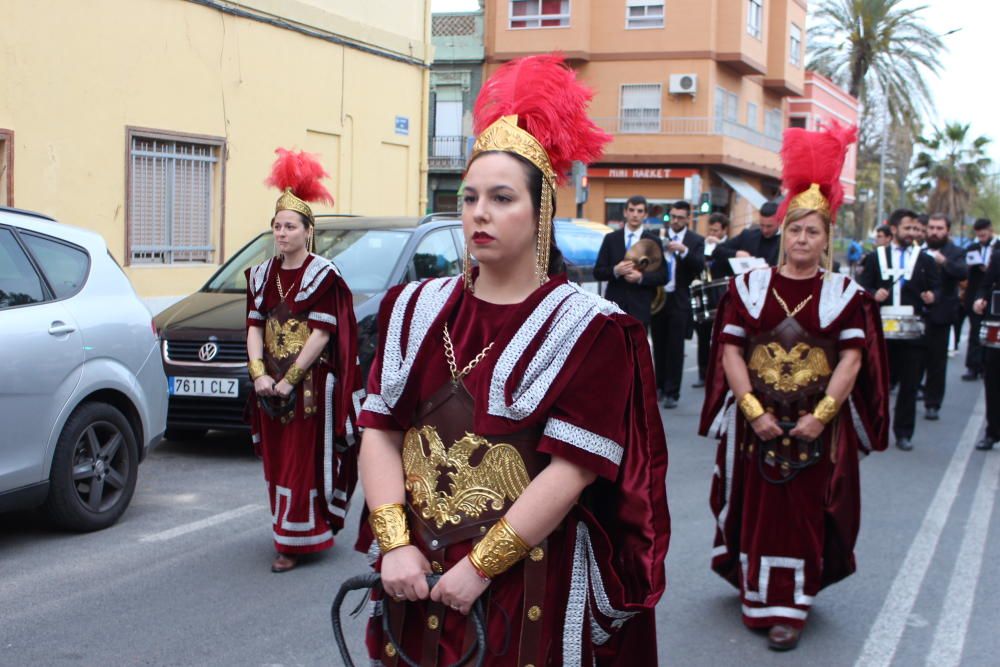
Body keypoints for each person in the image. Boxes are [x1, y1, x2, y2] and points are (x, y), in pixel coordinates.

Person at [354, 54, 669, 666]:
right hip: (413, 572)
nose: (479, 212)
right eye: (469, 197)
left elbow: (571, 470)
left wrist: (478, 567)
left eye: (502, 197)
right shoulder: (413, 307)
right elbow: (379, 428)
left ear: (540, 209)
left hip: (522, 583)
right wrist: (393, 544)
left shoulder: (591, 329)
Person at [699, 122, 888, 651]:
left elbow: (852, 359)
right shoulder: (750, 287)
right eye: (795, 230)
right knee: (753, 509)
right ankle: (756, 589)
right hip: (755, 420)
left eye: (813, 232)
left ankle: (789, 607)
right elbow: (731, 350)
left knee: (802, 515)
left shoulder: (844, 294)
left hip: (814, 425)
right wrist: (753, 409)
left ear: (827, 238)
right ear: (784, 233)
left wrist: (822, 416)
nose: (803, 240)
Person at [245, 148, 363, 573]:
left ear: (307, 231)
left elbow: (322, 333)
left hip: (309, 384)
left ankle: (295, 541)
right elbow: (255, 326)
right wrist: (259, 374)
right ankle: (284, 530)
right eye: (277, 226)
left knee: (301, 460)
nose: (281, 233)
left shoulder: (323, 275)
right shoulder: (261, 275)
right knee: (278, 461)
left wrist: (289, 379)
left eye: (290, 226)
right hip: (269, 382)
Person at [858, 209, 941, 451]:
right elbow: (863, 287)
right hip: (882, 331)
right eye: (908, 228)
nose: (913, 233)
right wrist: (874, 294)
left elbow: (937, 288)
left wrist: (931, 296)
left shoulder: (925, 260)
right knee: (877, 383)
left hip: (913, 332)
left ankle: (904, 432)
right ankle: (874, 429)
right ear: (894, 229)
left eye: (916, 229)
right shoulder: (876, 257)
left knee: (910, 385)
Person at [650, 201, 705, 408]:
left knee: (675, 346)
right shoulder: (658, 235)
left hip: (680, 299)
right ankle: (659, 386)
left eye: (680, 218)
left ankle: (672, 392)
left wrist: (683, 251)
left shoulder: (695, 240)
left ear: (687, 219)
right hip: (659, 297)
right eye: (673, 217)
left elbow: (699, 265)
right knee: (659, 345)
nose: (675, 221)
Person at [921, 214, 968, 419]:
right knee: (914, 360)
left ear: (947, 230)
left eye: (939, 228)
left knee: (937, 362)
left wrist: (944, 262)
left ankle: (933, 403)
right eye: (931, 228)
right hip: (919, 313)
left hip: (942, 314)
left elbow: (962, 272)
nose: (934, 232)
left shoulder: (955, 252)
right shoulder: (919, 250)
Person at [594, 195, 667, 326]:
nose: (635, 215)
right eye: (632, 210)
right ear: (625, 212)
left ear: (645, 215)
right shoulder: (611, 239)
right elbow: (598, 272)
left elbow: (663, 276)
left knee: (637, 346)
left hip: (641, 308)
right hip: (614, 307)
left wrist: (641, 277)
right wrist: (615, 270)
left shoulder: (654, 241)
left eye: (639, 211)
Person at [694, 213, 731, 387]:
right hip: (706, 297)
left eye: (716, 230)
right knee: (703, 337)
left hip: (723, 297)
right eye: (710, 230)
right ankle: (703, 374)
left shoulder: (730, 246)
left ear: (724, 230)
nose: (712, 233)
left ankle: (721, 374)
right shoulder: (703, 246)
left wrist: (718, 247)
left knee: (722, 338)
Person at [972, 244, 1000, 450]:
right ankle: (992, 431)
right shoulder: (998, 256)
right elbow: (985, 284)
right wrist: (980, 299)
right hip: (997, 326)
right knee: (993, 380)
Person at [963, 218, 996, 381]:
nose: (981, 238)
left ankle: (986, 365)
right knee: (975, 331)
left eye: (984, 235)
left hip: (993, 297)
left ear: (990, 230)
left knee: (991, 333)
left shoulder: (997, 248)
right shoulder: (972, 248)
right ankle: (972, 366)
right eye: (979, 235)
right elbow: (965, 271)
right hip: (975, 294)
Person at [713, 200, 782, 268]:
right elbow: (717, 250)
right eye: (762, 225)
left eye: (769, 226)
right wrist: (736, 254)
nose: (765, 230)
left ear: (779, 221)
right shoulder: (748, 236)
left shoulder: (785, 242)